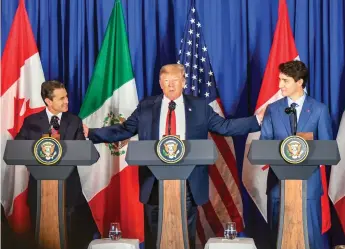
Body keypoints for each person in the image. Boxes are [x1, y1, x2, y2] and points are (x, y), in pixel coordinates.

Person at [83, 64, 263, 249]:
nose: (170, 86)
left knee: (186, 233)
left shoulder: (199, 107)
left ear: (184, 82)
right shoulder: (147, 107)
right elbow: (125, 130)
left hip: (188, 182)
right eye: (166, 81)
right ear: (160, 83)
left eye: (175, 81)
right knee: (155, 233)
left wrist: (257, 121)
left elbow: (225, 127)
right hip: (153, 181)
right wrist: (91, 133)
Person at [15, 80, 98, 249]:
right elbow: (18, 149)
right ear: (48, 101)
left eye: (66, 96)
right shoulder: (31, 121)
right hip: (39, 191)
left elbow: (81, 151)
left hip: (70, 192)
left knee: (72, 239)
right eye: (61, 98)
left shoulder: (74, 121)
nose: (67, 101)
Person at [260, 61, 332, 249]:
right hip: (278, 186)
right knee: (277, 239)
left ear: (299, 82)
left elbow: (328, 150)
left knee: (310, 239)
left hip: (309, 189)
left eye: (285, 81)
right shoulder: (273, 109)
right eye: (279, 80)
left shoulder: (319, 109)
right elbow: (264, 144)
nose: (279, 85)